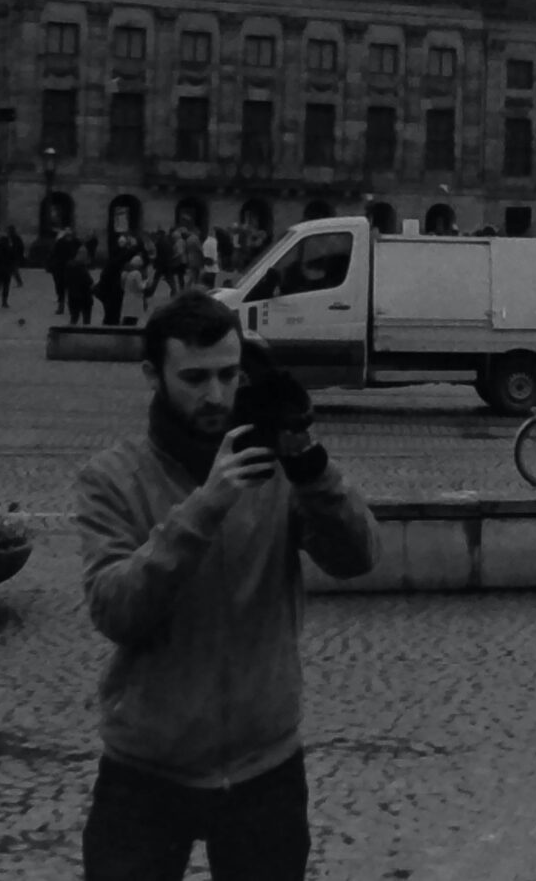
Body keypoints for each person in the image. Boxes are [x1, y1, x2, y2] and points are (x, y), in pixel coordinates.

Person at [74, 293, 375, 880]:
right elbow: (116, 611)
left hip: (265, 767)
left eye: (228, 374)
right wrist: (206, 506)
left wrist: (314, 472)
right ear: (152, 375)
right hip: (146, 772)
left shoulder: (276, 468)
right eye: (193, 378)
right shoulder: (112, 477)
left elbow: (358, 557)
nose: (215, 395)